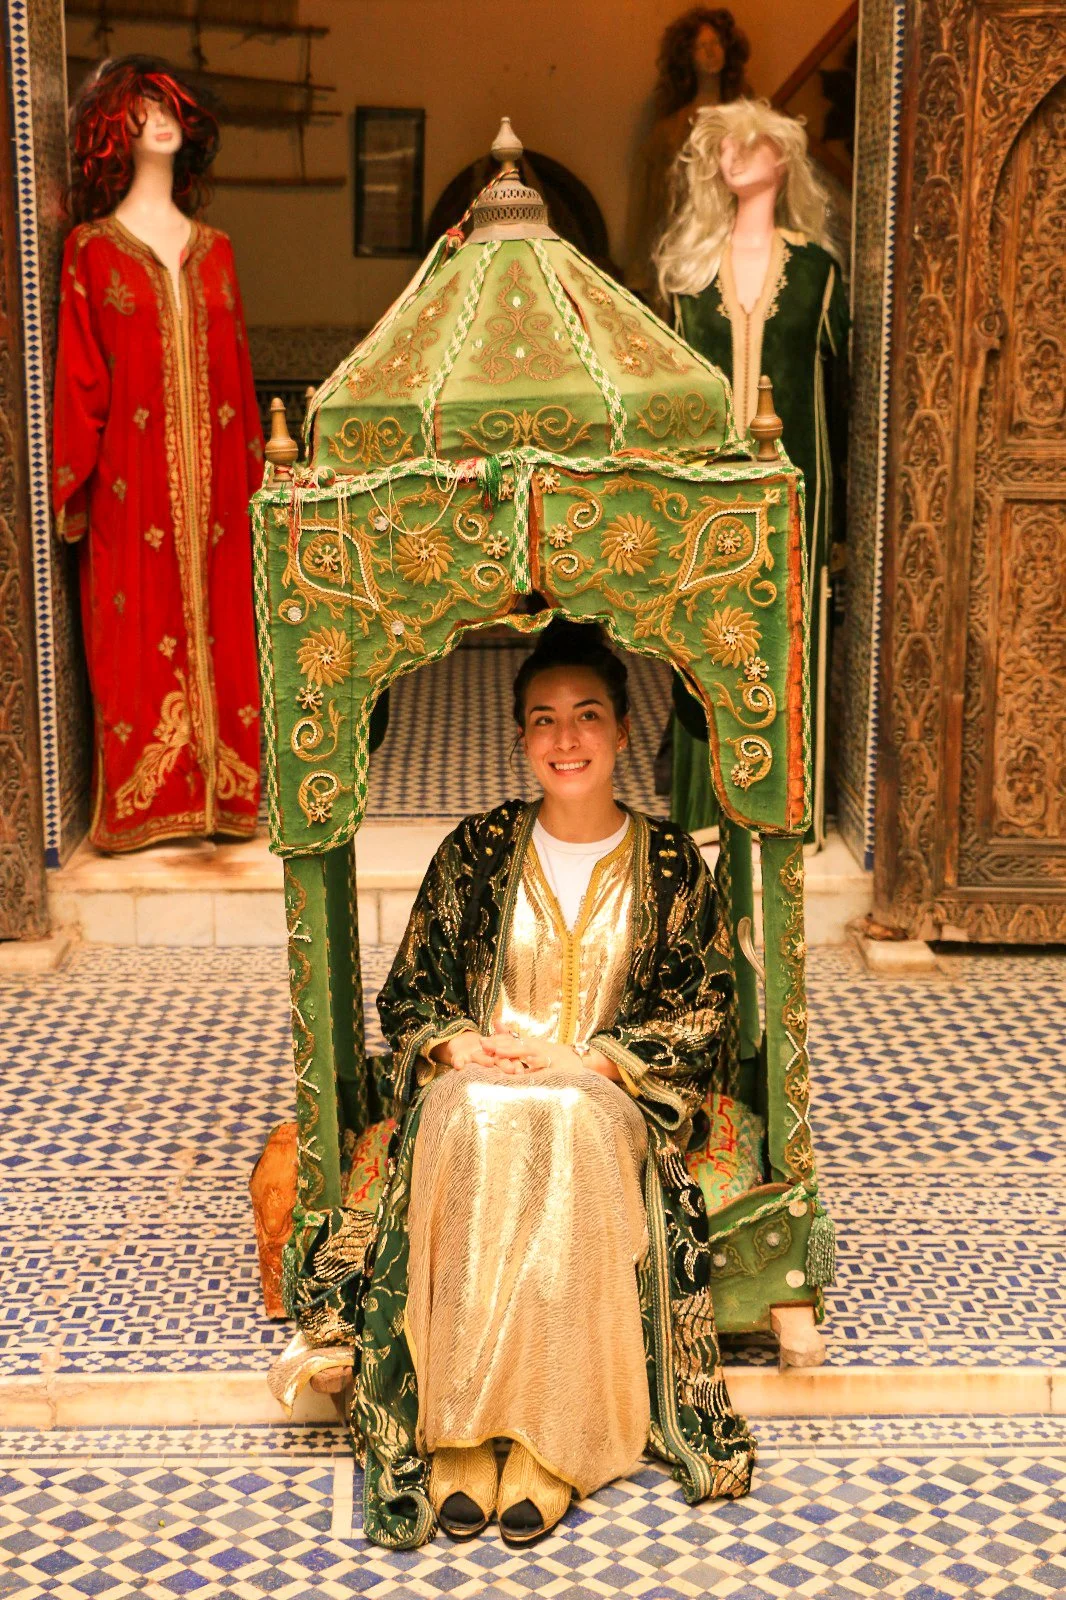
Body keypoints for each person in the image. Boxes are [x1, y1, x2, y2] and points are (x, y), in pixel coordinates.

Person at [354, 620, 755, 1549]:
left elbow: (705, 1007)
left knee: (569, 1128)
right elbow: (414, 988)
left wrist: (599, 1060)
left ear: (620, 730)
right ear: (521, 738)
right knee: (474, 1124)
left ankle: (549, 1438)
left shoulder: (668, 866)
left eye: (586, 717)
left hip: (605, 1094)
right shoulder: (478, 852)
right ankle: (457, 1429)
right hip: (485, 1085)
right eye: (543, 721)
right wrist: (457, 1049)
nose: (564, 740)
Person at [53, 56, 263, 852]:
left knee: (224, 630)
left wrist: (251, 490)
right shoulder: (91, 251)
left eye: (171, 106)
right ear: (117, 126)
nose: (160, 120)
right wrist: (73, 491)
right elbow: (79, 379)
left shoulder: (217, 251)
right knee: (135, 642)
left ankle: (228, 797)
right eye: (142, 109)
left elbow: (239, 381)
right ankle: (147, 807)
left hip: (215, 496)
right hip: (128, 491)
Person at [655, 100, 849, 845]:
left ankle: (786, 807)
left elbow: (838, 389)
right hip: (704, 484)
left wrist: (841, 520)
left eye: (754, 142)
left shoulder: (818, 273)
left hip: (796, 483)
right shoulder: (689, 275)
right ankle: (708, 808)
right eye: (725, 146)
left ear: (786, 158)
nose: (737, 156)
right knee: (704, 632)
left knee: (786, 632)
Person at [625, 7, 751, 304]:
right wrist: (642, 270)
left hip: (740, 248)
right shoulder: (669, 131)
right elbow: (654, 207)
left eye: (716, 43)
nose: (710, 52)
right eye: (701, 46)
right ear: (687, 58)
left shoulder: (748, 119)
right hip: (687, 254)